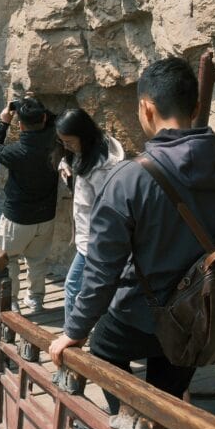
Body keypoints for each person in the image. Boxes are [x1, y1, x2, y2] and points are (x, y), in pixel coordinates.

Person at [49, 57, 215, 429]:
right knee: (167, 402)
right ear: (195, 107)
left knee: (102, 350)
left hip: (137, 316)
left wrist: (73, 331)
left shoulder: (130, 179)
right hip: (199, 321)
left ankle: (133, 421)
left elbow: (101, 272)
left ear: (146, 108)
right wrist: (199, 295)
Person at [0, 97, 59, 313]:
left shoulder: (15, 152)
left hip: (17, 217)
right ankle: (35, 299)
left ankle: (12, 302)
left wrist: (3, 122)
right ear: (44, 118)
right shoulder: (56, 143)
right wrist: (35, 107)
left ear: (20, 125)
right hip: (46, 216)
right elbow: (53, 120)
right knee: (38, 260)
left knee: (7, 260)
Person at [55, 108, 126, 322]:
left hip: (95, 241)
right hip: (90, 239)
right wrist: (66, 167)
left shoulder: (103, 169)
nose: (66, 146)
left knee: (73, 287)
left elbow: (108, 211)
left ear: (83, 135)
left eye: (69, 142)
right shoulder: (91, 149)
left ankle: (71, 335)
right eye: (62, 142)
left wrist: (96, 245)